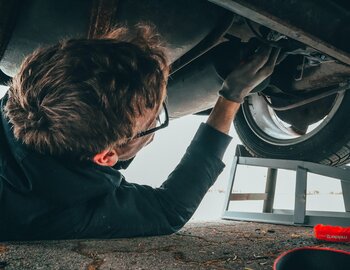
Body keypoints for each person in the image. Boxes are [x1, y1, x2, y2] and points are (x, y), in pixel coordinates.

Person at [0, 25, 279, 241]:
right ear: (106, 156)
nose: (154, 128)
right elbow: (169, 209)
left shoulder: (30, 97)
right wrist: (231, 97)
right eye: (154, 120)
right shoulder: (64, 213)